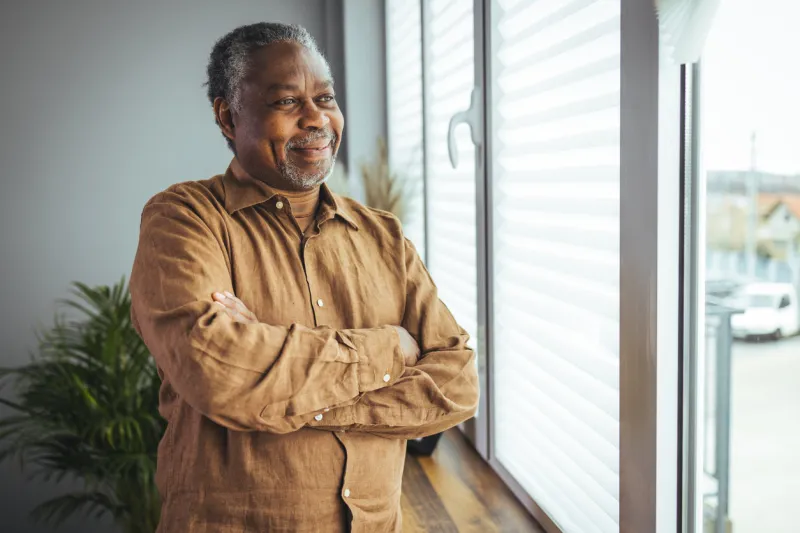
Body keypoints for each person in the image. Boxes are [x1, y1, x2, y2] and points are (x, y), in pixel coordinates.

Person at [129, 22, 478, 533]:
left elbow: (458, 384)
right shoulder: (184, 219)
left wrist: (290, 397)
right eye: (288, 102)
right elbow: (218, 372)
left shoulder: (383, 236)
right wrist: (391, 351)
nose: (317, 119)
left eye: (326, 97)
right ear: (229, 116)